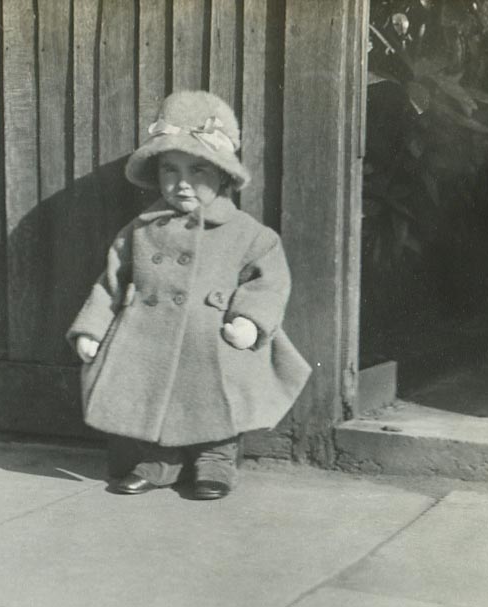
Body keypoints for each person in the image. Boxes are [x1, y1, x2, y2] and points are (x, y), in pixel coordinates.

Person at [66, 90, 311, 500]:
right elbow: (111, 282)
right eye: (169, 170)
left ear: (224, 175)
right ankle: (162, 459)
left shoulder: (248, 234)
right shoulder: (140, 230)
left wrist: (249, 320)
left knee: (216, 398)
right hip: (148, 334)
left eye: (199, 170)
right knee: (153, 396)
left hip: (212, 339)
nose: (182, 184)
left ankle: (217, 458)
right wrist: (91, 328)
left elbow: (268, 280)